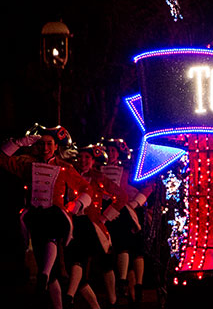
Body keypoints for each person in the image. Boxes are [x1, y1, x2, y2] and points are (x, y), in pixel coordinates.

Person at [0, 125, 92, 309]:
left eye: (49, 144)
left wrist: (77, 203)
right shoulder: (27, 165)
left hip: (55, 217)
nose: (45, 148)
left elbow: (86, 188)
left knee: (51, 235)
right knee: (50, 269)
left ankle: (43, 275)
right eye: (41, 144)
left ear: (56, 146)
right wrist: (20, 142)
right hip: (34, 217)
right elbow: (2, 158)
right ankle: (52, 292)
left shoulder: (64, 168)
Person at [63, 145, 128, 309]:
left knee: (105, 265)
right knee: (76, 267)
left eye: (87, 158)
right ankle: (79, 301)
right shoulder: (68, 174)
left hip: (92, 227)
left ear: (93, 161)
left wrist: (105, 218)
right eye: (81, 157)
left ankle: (112, 300)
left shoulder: (99, 178)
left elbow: (122, 196)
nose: (83, 160)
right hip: (71, 226)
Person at [103, 138, 153, 307]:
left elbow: (149, 186)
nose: (110, 154)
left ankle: (136, 286)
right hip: (116, 211)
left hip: (133, 211)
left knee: (136, 250)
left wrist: (134, 203)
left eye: (113, 151)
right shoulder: (101, 169)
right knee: (123, 248)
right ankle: (127, 288)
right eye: (108, 151)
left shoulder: (130, 170)